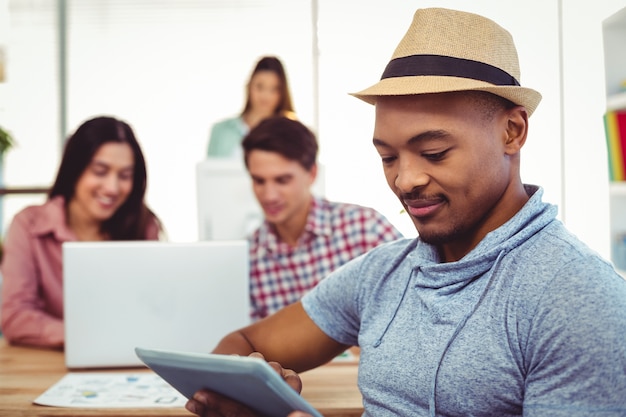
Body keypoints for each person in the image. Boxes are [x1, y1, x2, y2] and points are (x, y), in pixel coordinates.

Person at [186, 7, 626, 417]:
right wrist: (246, 391)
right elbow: (242, 343)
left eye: (433, 153)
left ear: (512, 131)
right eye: (388, 157)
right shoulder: (381, 274)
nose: (404, 181)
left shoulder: (576, 299)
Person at [0, 116, 163, 349]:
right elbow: (15, 317)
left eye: (125, 176)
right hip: (48, 363)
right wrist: (87, 337)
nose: (112, 188)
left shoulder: (143, 225)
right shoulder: (28, 225)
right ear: (75, 170)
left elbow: (154, 312)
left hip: (125, 361)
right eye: (100, 171)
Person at [242, 116, 403, 320]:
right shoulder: (249, 259)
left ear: (311, 174)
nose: (269, 195)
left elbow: (415, 306)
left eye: (282, 180)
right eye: (259, 181)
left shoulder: (366, 229)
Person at [207, 56, 296, 159]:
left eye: (274, 89)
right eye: (259, 86)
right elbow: (210, 171)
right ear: (249, 86)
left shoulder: (290, 135)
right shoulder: (221, 131)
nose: (265, 95)